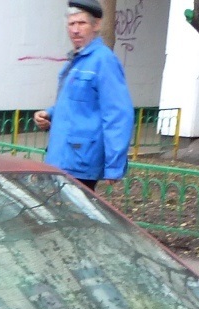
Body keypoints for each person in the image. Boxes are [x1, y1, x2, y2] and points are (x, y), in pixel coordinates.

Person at [34, 0, 135, 189]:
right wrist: (49, 114)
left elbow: (118, 114)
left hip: (80, 162)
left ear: (96, 25)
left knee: (74, 217)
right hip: (60, 157)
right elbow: (77, 103)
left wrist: (114, 166)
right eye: (71, 24)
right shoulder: (77, 60)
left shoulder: (103, 61)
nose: (75, 30)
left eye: (82, 23)